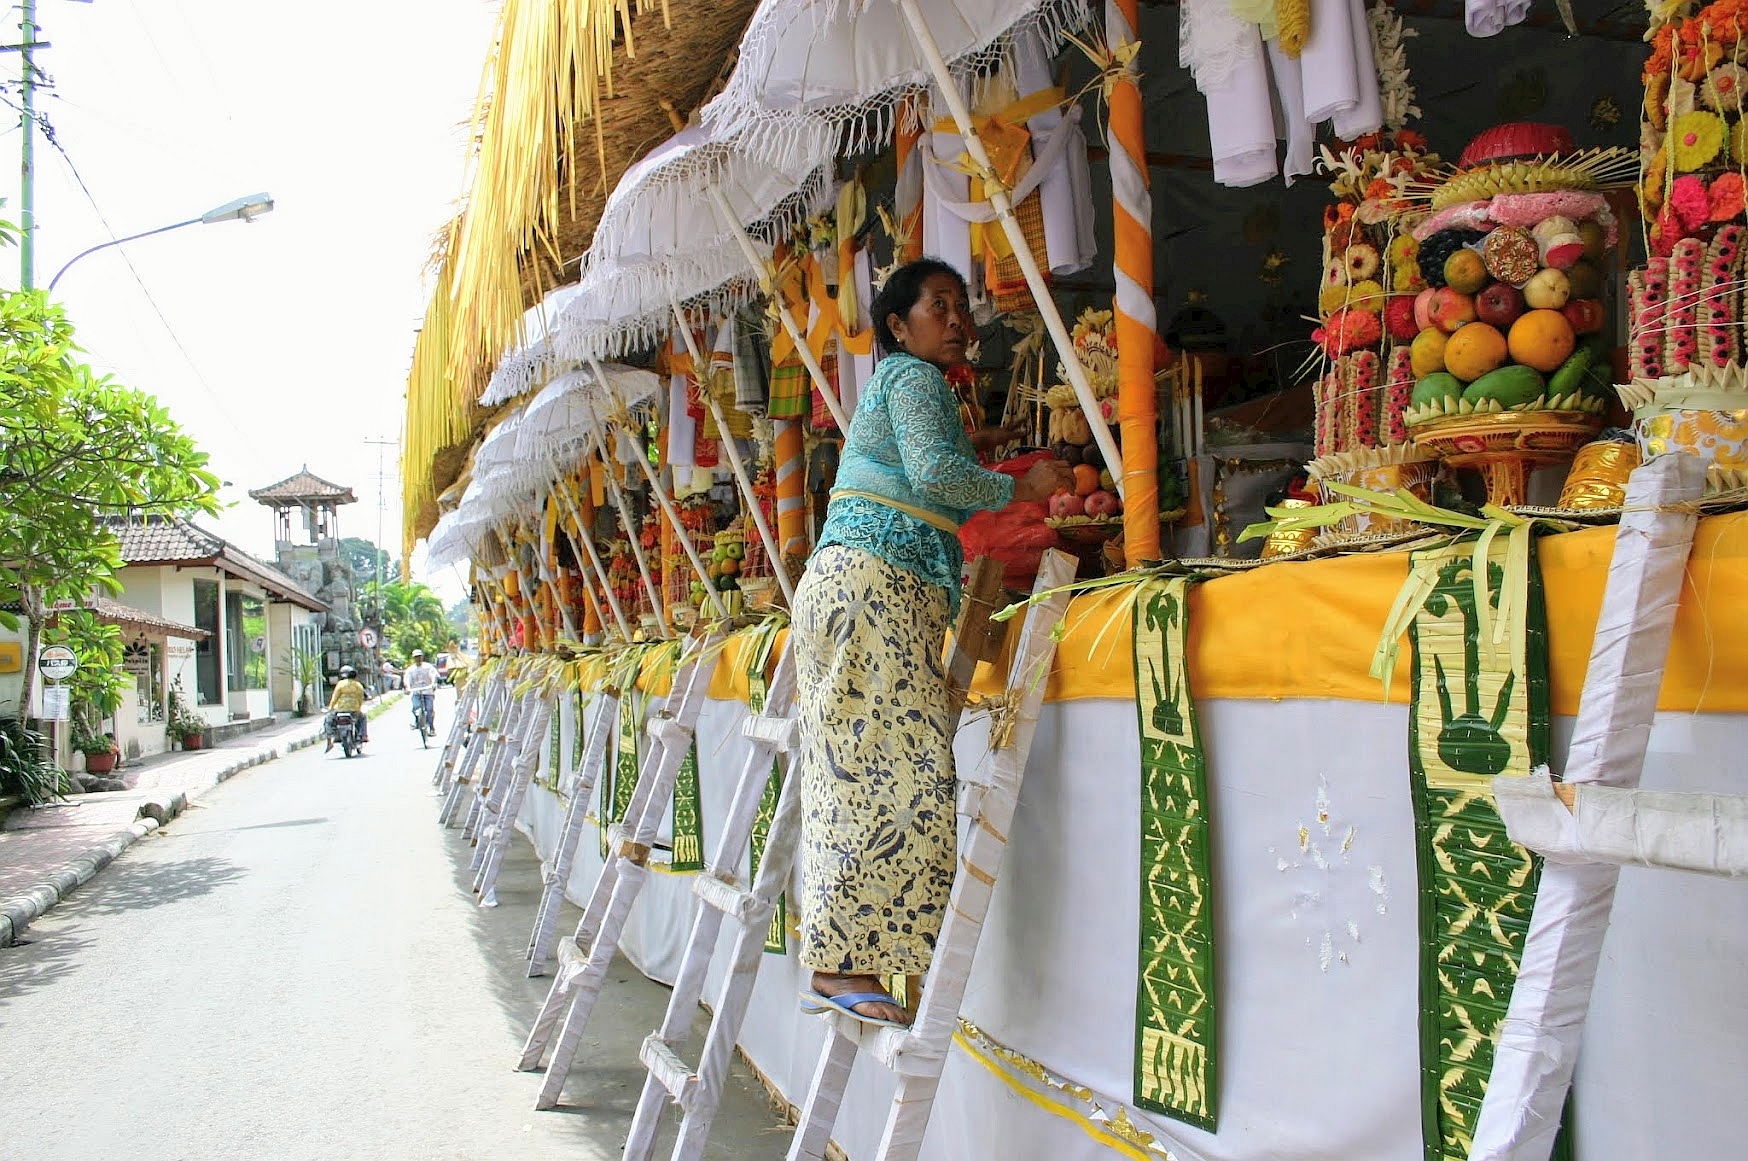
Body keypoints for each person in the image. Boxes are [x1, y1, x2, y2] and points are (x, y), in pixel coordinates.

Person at [790, 258, 1074, 1027]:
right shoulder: (912, 380)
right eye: (938, 306)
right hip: (873, 590)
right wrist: (1023, 485)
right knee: (902, 770)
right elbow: (936, 473)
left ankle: (840, 956)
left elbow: (931, 468)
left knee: (857, 767)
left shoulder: (907, 387)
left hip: (851, 588)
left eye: (961, 306)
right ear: (897, 326)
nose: (956, 320)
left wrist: (990, 453)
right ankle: (841, 962)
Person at [324, 665, 370, 752]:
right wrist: (358, 708)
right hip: (354, 710)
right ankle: (363, 736)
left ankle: (330, 740)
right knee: (363, 717)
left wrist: (330, 708)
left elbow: (335, 697)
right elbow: (360, 698)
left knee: (329, 719)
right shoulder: (358, 685)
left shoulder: (340, 684)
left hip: (340, 710)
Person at [403, 649, 439, 733]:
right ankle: (417, 721)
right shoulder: (410, 669)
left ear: (422, 657)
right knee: (416, 707)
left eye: (419, 657)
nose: (418, 659)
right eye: (416, 657)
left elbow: (433, 675)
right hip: (416, 692)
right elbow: (407, 679)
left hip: (427, 691)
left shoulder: (428, 667)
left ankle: (431, 727)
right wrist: (407, 688)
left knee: (429, 709)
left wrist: (433, 683)